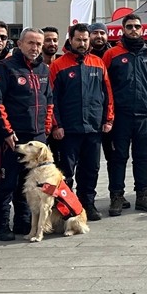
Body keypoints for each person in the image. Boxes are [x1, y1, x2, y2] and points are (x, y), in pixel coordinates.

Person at [0, 28, 52, 240]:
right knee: (7, 183)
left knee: (31, 182)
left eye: (38, 44)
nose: (35, 48)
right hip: (13, 138)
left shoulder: (44, 69)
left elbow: (49, 101)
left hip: (38, 138)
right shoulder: (6, 67)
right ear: (20, 44)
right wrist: (6, 131)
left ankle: (23, 221)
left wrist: (47, 128)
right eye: (31, 43)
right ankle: (1, 225)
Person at [50, 23, 115, 214]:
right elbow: (51, 99)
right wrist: (57, 125)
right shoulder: (58, 65)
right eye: (78, 39)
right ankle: (67, 207)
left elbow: (107, 93)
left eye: (85, 39)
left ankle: (88, 203)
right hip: (68, 130)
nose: (82, 43)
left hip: (93, 128)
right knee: (66, 172)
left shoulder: (97, 62)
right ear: (70, 40)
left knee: (91, 169)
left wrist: (108, 119)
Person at [103, 13, 147, 213]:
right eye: (129, 27)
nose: (133, 30)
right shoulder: (112, 54)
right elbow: (105, 84)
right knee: (119, 157)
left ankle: (142, 196)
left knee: (142, 157)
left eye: (136, 26)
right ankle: (116, 196)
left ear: (142, 29)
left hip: (144, 114)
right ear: (123, 30)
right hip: (121, 115)